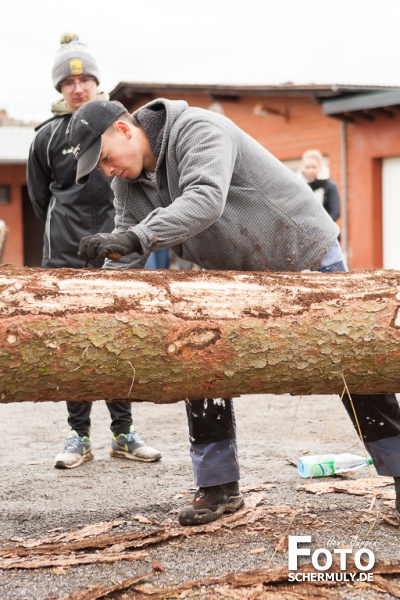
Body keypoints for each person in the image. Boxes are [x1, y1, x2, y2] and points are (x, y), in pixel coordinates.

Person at [67, 98, 400, 526]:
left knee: (354, 375)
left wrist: (136, 237)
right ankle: (218, 487)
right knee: (202, 357)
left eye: (106, 158)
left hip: (302, 256)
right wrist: (93, 305)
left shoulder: (200, 129)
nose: (107, 171)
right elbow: (124, 252)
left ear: (125, 129)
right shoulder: (127, 185)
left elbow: (205, 200)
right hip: (232, 279)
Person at [26, 34, 161, 469]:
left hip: (116, 249)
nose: (77, 88)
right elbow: (38, 199)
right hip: (63, 255)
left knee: (118, 339)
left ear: (97, 84)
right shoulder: (45, 138)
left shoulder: (116, 129)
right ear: (60, 90)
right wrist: (62, 232)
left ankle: (123, 432)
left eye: (84, 81)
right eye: (67, 83)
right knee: (72, 345)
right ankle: (77, 435)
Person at [299, 149, 341, 223]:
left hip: (327, 230)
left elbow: (335, 212)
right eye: (307, 167)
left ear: (320, 167)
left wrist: (321, 226)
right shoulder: (300, 185)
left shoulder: (329, 185)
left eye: (314, 167)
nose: (310, 171)